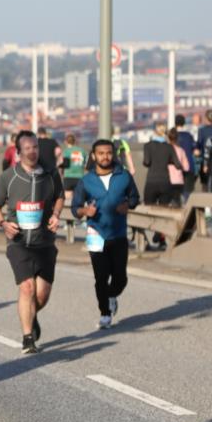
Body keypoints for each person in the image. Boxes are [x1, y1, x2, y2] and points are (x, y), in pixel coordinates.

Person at [0, 130, 64, 354]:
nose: (33, 152)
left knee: (41, 295)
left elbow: (60, 197)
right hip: (18, 242)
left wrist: (56, 214)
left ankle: (31, 315)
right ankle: (28, 338)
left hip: (45, 243)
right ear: (19, 152)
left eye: (35, 147)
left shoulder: (50, 174)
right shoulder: (8, 177)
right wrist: (3, 223)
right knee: (27, 288)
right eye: (28, 148)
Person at [72, 140, 141, 329]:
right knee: (101, 277)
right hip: (96, 233)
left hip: (118, 233)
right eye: (101, 153)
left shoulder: (124, 176)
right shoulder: (86, 181)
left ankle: (111, 296)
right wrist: (85, 211)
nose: (105, 157)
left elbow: (135, 197)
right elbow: (75, 208)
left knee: (121, 278)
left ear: (114, 154)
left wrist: (127, 205)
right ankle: (105, 313)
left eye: (109, 153)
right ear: (94, 156)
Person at [142, 123, 183, 206]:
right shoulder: (169, 147)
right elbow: (178, 165)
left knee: (148, 208)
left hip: (151, 181)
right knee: (164, 209)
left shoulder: (148, 146)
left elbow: (147, 162)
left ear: (155, 132)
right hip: (165, 182)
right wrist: (169, 161)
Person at [173, 114, 198, 201]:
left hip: (175, 168)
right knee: (187, 194)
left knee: (175, 195)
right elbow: (196, 151)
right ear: (184, 123)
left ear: (175, 123)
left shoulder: (172, 136)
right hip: (189, 167)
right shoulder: (189, 136)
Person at [195, 109, 212, 190]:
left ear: (206, 118)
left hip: (204, 160)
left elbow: (199, 144)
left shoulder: (202, 130)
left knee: (205, 184)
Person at [167, 127, 190, 206]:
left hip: (167, 180)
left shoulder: (165, 150)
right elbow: (187, 168)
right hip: (179, 181)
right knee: (177, 203)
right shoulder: (181, 150)